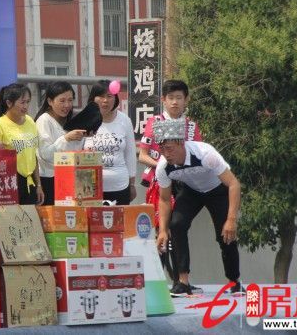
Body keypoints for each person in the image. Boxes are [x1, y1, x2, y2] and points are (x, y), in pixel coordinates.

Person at [154, 119, 243, 297]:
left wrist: (231, 219)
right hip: (192, 191)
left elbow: (234, 184)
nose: (166, 154)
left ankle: (234, 282)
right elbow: (164, 199)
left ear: (181, 143)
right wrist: (163, 230)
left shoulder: (205, 154)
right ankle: (183, 282)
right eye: (162, 149)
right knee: (176, 225)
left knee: (225, 235)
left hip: (217, 190)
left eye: (169, 148)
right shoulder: (163, 167)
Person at [138, 80, 202, 287]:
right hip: (160, 183)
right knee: (161, 229)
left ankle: (181, 279)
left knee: (178, 228)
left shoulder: (191, 126)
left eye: (179, 98)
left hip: (184, 184)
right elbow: (142, 155)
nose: (175, 102)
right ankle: (156, 281)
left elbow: (198, 155)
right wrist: (163, 165)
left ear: (186, 100)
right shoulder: (154, 122)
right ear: (163, 100)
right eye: (171, 98)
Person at [83, 80, 137, 205]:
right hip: (89, 187)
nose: (105, 101)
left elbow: (130, 153)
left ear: (115, 98)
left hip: (119, 185)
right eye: (101, 96)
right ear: (93, 98)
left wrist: (132, 184)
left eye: (109, 96)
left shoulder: (124, 120)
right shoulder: (85, 119)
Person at [0, 83, 44, 205]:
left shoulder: (30, 121)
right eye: (22, 102)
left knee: (29, 217)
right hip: (8, 184)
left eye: (28, 102)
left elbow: (33, 156)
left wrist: (39, 185)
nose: (26, 106)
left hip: (30, 182)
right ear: (9, 103)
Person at [35, 81, 86, 205]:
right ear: (50, 101)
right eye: (62, 101)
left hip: (71, 178)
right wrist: (66, 138)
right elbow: (45, 154)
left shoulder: (73, 119)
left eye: (70, 100)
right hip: (50, 180)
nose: (67, 105)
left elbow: (77, 151)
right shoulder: (44, 120)